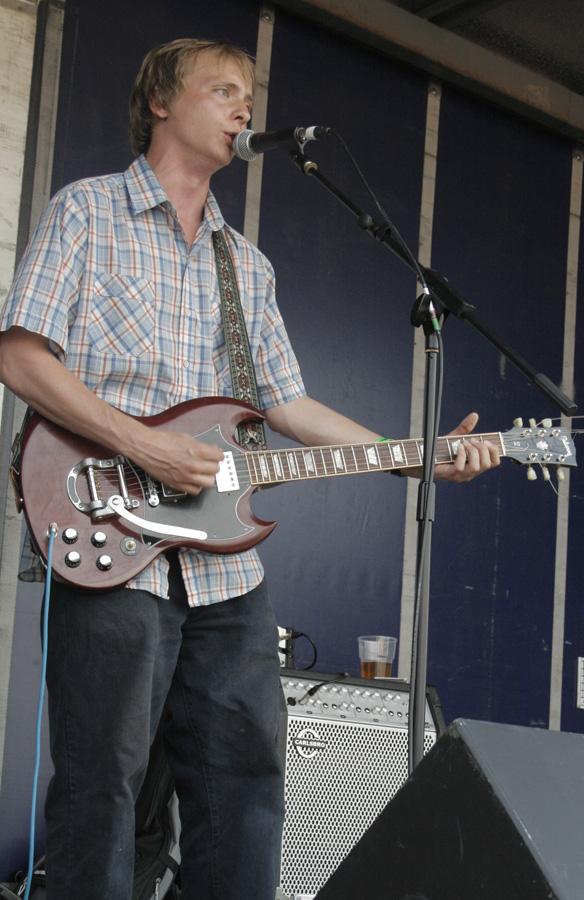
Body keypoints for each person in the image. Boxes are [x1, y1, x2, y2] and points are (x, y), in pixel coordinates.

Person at [0, 38, 500, 900]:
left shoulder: (247, 266)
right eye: (224, 90)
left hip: (225, 571)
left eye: (249, 94)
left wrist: (415, 457)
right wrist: (141, 442)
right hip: (106, 531)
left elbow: (288, 407)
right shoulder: (86, 212)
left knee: (246, 780)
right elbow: (19, 357)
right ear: (162, 101)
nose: (244, 108)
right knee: (104, 787)